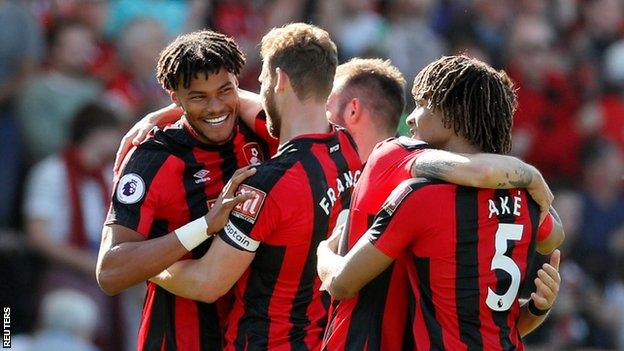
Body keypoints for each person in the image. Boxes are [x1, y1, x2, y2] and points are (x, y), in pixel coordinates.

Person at [321, 55, 564, 350]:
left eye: (422, 104)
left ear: (453, 114)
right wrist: (538, 308)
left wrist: (323, 251)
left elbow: (342, 284)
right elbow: (553, 238)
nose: (410, 118)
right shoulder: (524, 198)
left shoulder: (413, 183)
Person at [146, 22, 362, 350]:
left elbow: (208, 283)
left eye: (261, 81)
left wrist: (148, 268)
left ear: (279, 81)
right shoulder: (347, 147)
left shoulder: (267, 184)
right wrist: (170, 109)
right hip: (322, 338)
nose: (256, 92)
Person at [96, 30, 273, 351]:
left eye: (225, 90)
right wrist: (204, 226)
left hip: (256, 335)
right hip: (180, 339)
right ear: (175, 97)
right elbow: (110, 272)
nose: (216, 107)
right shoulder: (151, 160)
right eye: (198, 96)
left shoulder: (258, 131)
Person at [24, 103, 122, 351]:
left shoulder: (108, 176)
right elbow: (37, 235)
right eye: (113, 133)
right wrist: (85, 263)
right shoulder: (52, 171)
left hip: (100, 270)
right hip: (63, 270)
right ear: (97, 134)